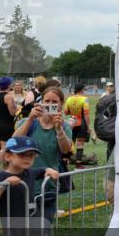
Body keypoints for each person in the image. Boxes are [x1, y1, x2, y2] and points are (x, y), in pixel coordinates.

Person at [13, 86, 73, 228]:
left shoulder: (64, 126)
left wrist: (59, 129)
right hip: (23, 184)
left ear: (61, 104)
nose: (50, 105)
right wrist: (30, 119)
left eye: (55, 101)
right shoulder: (28, 123)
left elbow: (66, 150)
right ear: (41, 101)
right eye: (47, 100)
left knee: (43, 228)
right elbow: (13, 143)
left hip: (48, 186)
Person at [0, 137, 59, 236]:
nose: (28, 158)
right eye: (22, 154)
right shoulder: (0, 176)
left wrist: (49, 170)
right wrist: (3, 185)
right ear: (8, 156)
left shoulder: (29, 172)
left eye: (31, 155)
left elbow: (41, 171)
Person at [0, 76, 18, 171]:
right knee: (5, 147)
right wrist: (16, 107)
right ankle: (5, 168)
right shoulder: (8, 96)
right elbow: (12, 113)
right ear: (8, 85)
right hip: (6, 123)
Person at [64, 84, 92, 165]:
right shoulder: (85, 99)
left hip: (71, 122)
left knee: (70, 143)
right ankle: (78, 165)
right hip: (82, 123)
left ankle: (65, 162)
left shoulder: (69, 99)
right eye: (84, 89)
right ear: (81, 90)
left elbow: (66, 112)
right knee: (80, 144)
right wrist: (88, 126)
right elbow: (86, 114)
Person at [94, 83, 116, 163]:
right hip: (113, 125)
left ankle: (110, 164)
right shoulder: (108, 97)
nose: (109, 88)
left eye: (111, 86)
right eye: (108, 86)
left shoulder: (111, 97)